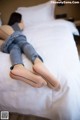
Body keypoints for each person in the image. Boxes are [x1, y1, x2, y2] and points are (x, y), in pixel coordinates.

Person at [0, 12, 60, 90]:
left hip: (2, 43)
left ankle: (18, 66)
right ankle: (37, 61)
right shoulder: (15, 26)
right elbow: (23, 25)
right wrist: (21, 21)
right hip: (5, 29)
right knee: (22, 42)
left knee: (14, 47)